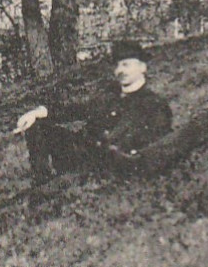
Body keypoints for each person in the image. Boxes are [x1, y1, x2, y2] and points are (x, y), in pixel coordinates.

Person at [12, 40, 175, 183]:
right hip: (85, 153)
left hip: (113, 161)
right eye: (117, 65)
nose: (120, 70)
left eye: (126, 64)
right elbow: (77, 110)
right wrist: (40, 111)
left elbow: (156, 143)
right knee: (38, 126)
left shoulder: (153, 103)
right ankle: (42, 181)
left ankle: (64, 183)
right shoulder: (109, 94)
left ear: (142, 66)